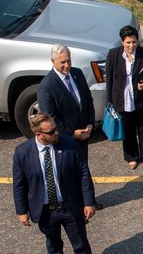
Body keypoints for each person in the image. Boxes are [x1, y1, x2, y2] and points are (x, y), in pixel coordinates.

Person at [12, 111, 103, 254]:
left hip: (69, 206)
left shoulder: (69, 144)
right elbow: (19, 184)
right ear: (38, 134)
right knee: (53, 243)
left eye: (55, 128)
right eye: (51, 131)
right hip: (45, 210)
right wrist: (21, 211)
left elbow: (84, 174)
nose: (56, 133)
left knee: (80, 242)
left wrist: (89, 202)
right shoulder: (22, 152)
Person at [37, 44, 103, 209]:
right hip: (64, 140)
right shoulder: (47, 86)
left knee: (82, 170)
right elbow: (51, 119)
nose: (67, 65)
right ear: (53, 62)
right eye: (63, 62)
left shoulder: (77, 74)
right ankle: (73, 207)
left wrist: (89, 123)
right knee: (67, 175)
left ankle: (87, 202)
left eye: (69, 60)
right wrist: (72, 133)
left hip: (83, 135)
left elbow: (87, 100)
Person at [105, 25, 143, 169]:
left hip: (142, 99)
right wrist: (110, 100)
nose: (132, 45)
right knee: (128, 130)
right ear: (122, 42)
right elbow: (110, 80)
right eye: (128, 42)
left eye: (134, 42)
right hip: (123, 100)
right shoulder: (113, 55)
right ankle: (132, 157)